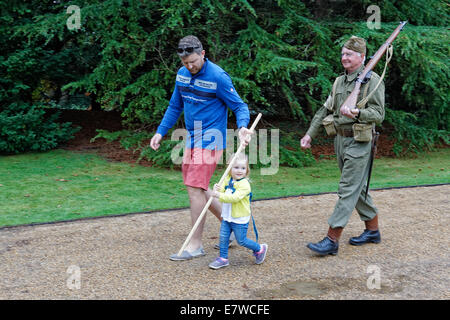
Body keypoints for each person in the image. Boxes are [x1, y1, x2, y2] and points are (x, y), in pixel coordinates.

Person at [149, 35, 253, 261]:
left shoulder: (217, 76)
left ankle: (195, 245)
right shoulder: (182, 75)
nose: (190, 66)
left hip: (212, 139)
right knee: (201, 186)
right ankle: (232, 225)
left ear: (203, 54)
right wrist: (160, 131)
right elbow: (175, 105)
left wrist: (243, 127)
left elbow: (239, 106)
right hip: (192, 138)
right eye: (185, 62)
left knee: (194, 189)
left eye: (193, 61)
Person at [300, 36, 384, 256]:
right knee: (356, 188)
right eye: (343, 54)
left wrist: (358, 112)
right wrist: (310, 135)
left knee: (347, 188)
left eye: (349, 54)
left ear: (362, 57)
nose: (344, 58)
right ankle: (373, 230)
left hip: (359, 141)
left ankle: (331, 239)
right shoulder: (339, 82)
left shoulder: (372, 80)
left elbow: (379, 114)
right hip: (340, 140)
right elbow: (324, 111)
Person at [208, 153, 268, 269]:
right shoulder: (228, 179)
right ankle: (223, 258)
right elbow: (222, 188)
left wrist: (218, 195)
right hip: (227, 216)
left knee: (241, 240)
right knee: (223, 237)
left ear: (247, 170)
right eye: (236, 167)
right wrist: (217, 188)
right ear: (230, 168)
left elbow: (234, 198)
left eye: (243, 168)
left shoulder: (245, 185)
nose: (239, 171)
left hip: (239, 218)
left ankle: (260, 249)